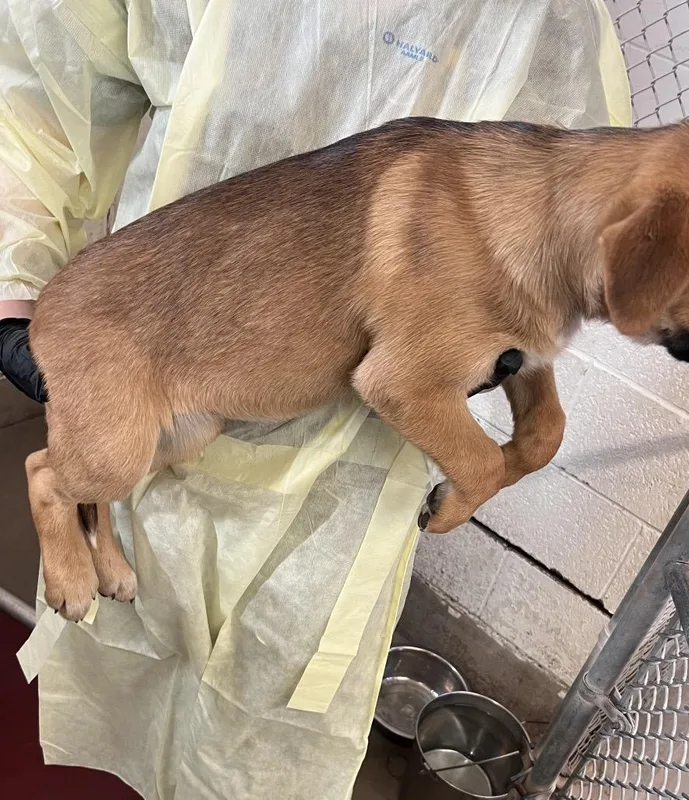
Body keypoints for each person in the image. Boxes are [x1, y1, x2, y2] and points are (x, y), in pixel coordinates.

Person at [2, 1, 629, 797]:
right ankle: (73, 509)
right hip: (171, 336)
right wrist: (13, 285)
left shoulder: (547, 19)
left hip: (353, 485)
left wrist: (523, 392)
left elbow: (554, 239)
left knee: (272, 719)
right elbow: (34, 95)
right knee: (132, 647)